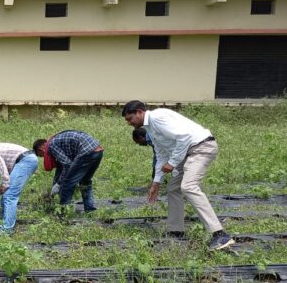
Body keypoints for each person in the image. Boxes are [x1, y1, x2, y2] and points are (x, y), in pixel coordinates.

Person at [122, 100, 234, 251]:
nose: (129, 123)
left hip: (201, 147)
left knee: (188, 187)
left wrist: (173, 162)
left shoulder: (157, 117)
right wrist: (156, 183)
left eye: (130, 119)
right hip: (187, 151)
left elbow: (185, 137)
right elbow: (161, 155)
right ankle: (176, 231)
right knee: (173, 188)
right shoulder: (150, 128)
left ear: (139, 112)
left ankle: (219, 234)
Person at [32, 130, 104, 213]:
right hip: (98, 150)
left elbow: (67, 164)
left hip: (86, 151)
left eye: (41, 155)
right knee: (85, 182)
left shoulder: (51, 145)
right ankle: (90, 209)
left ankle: (63, 212)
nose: (43, 156)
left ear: (41, 149)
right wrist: (55, 184)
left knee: (67, 183)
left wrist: (58, 184)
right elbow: (61, 168)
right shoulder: (57, 140)